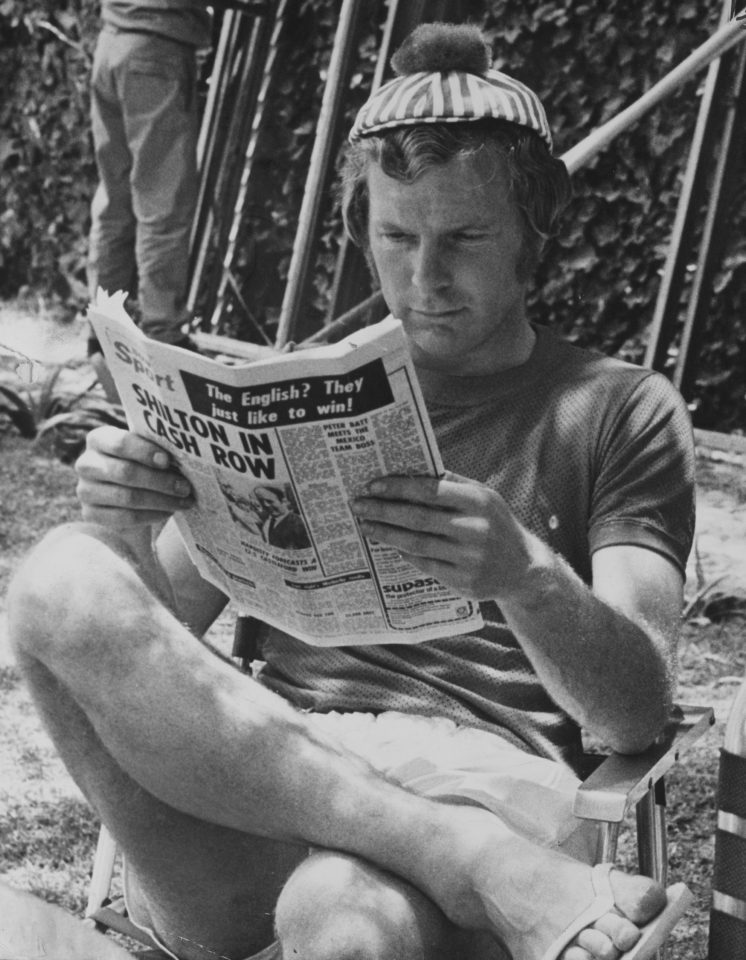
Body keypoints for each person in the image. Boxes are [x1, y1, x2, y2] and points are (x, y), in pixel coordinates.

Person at [8, 22, 697, 960]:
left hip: (478, 776)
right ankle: (463, 858)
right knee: (61, 577)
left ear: (535, 231)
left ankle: (457, 850)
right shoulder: (291, 392)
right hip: (267, 776)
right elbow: (149, 636)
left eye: (464, 238)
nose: (424, 277)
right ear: (359, 230)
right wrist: (125, 522)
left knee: (337, 911)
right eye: (396, 236)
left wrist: (526, 576)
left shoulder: (620, 410)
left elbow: (634, 714)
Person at [86, 1, 210, 350]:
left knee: (114, 197)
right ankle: (163, 336)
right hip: (155, 51)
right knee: (163, 203)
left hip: (112, 42)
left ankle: (103, 333)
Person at [254, 485, 311, 550]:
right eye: (261, 501)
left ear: (283, 501)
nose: (266, 505)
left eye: (270, 501)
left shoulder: (298, 523)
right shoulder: (268, 522)